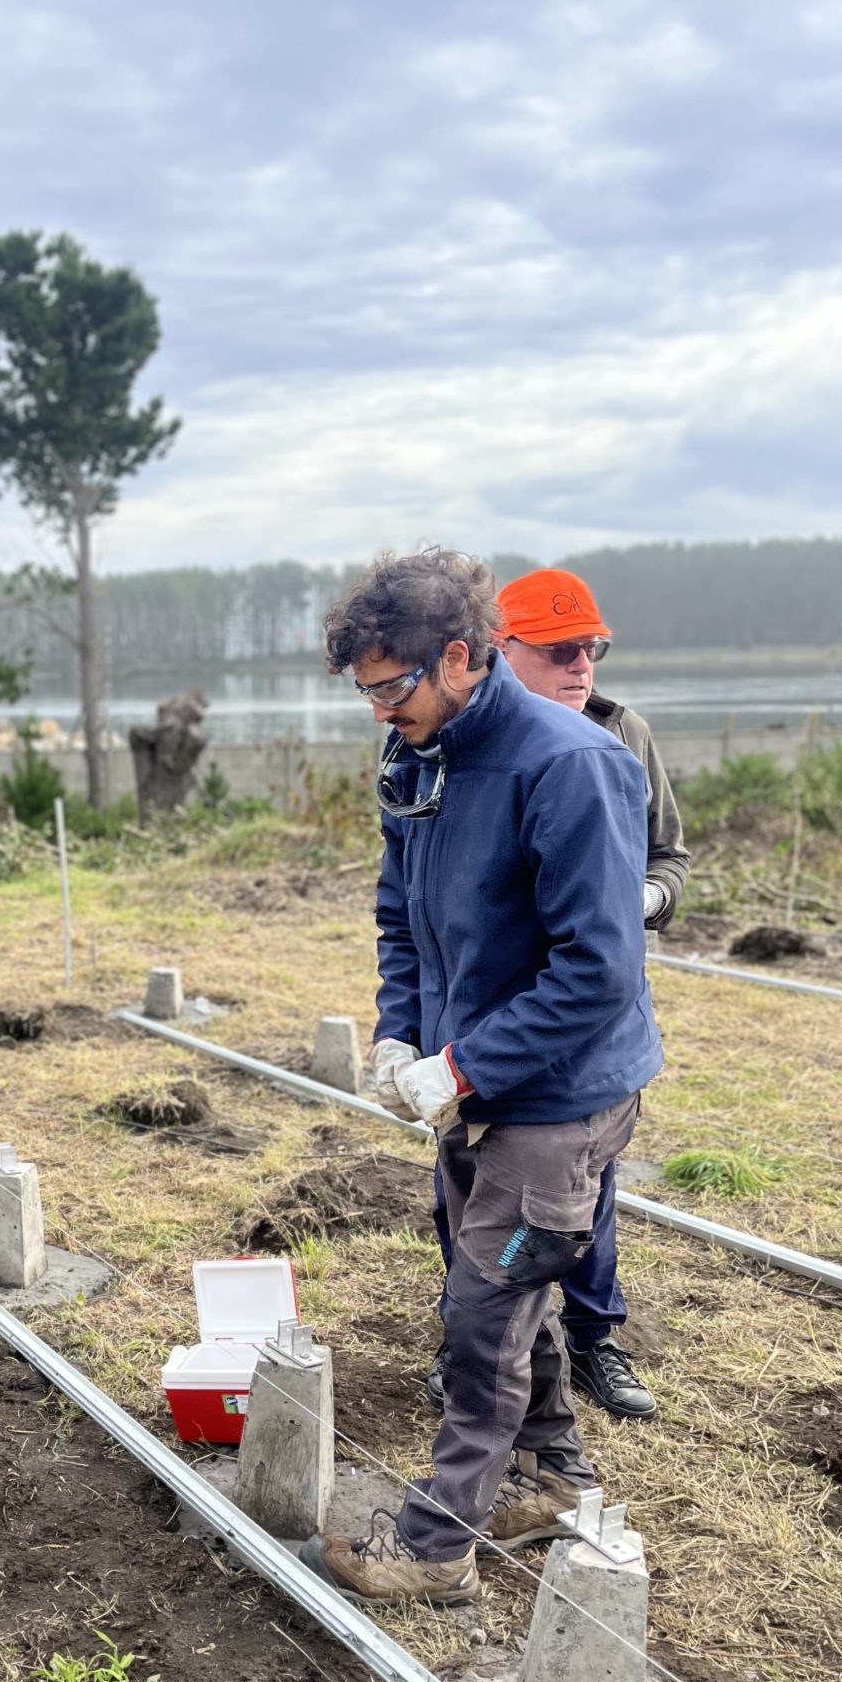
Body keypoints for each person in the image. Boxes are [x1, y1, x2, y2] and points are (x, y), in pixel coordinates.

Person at [302, 548, 663, 1607]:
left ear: (459, 656)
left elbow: (599, 969)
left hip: (556, 1096)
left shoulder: (572, 765)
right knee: (503, 1284)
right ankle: (554, 1476)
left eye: (391, 687)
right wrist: (401, 1035)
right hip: (470, 1085)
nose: (380, 711)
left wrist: (466, 1063)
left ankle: (438, 1544)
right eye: (365, 692)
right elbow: (399, 914)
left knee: (483, 1312)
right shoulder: (421, 756)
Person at [424, 567, 689, 1421]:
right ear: (501, 651)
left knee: (581, 1189)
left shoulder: (622, 735)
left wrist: (638, 900)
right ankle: (472, 1338)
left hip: (585, 1013)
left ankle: (593, 1337)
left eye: (593, 648)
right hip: (487, 1008)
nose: (583, 665)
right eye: (561, 650)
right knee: (468, 1187)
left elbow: (670, 858)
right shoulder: (456, 743)